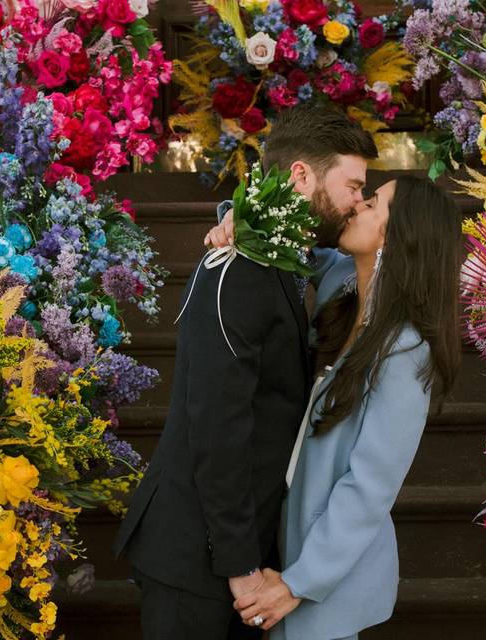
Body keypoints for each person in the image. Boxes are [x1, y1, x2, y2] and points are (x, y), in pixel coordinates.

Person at [111, 105, 378, 640]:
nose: (357, 201)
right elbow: (217, 426)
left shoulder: (277, 256)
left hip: (237, 543)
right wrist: (240, 567)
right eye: (353, 185)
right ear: (301, 174)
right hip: (196, 554)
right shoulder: (237, 271)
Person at [214, 176, 463, 639]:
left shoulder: (405, 351)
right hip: (282, 535)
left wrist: (298, 583)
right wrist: (238, 215)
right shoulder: (340, 283)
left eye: (371, 204)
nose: (355, 208)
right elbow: (294, 240)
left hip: (328, 572)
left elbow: (369, 488)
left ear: (397, 234)